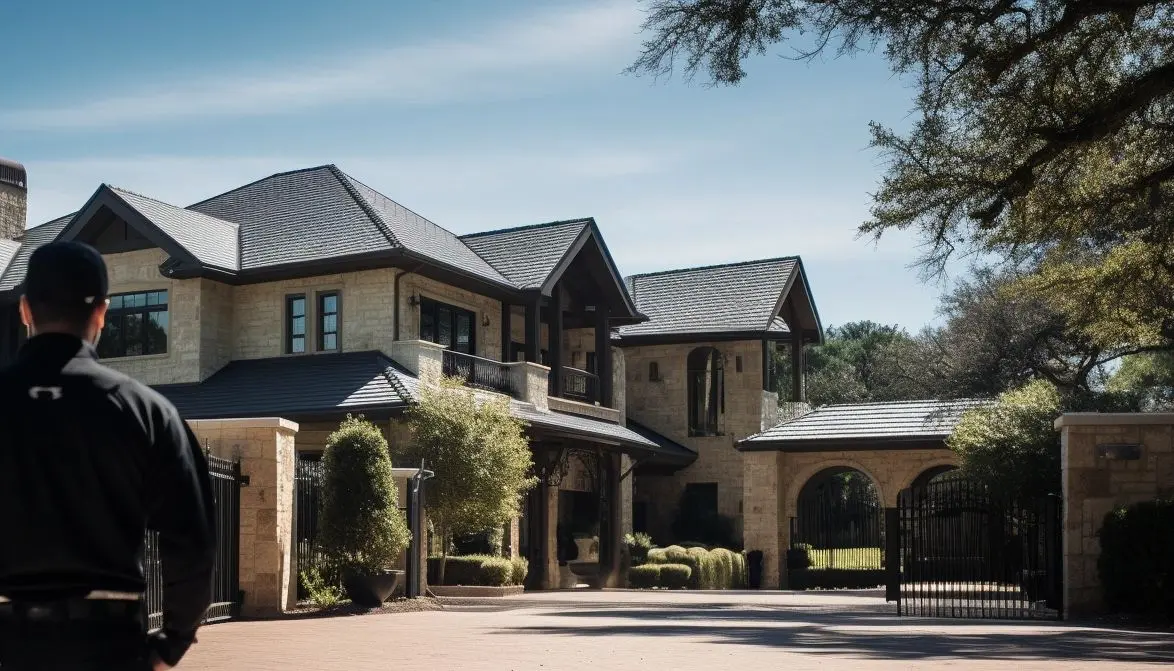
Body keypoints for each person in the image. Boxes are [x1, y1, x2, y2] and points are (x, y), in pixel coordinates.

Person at [0, 241, 217, 670]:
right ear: (102, 312)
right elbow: (193, 540)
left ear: (25, 310)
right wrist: (172, 641)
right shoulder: (145, 411)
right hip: (110, 644)